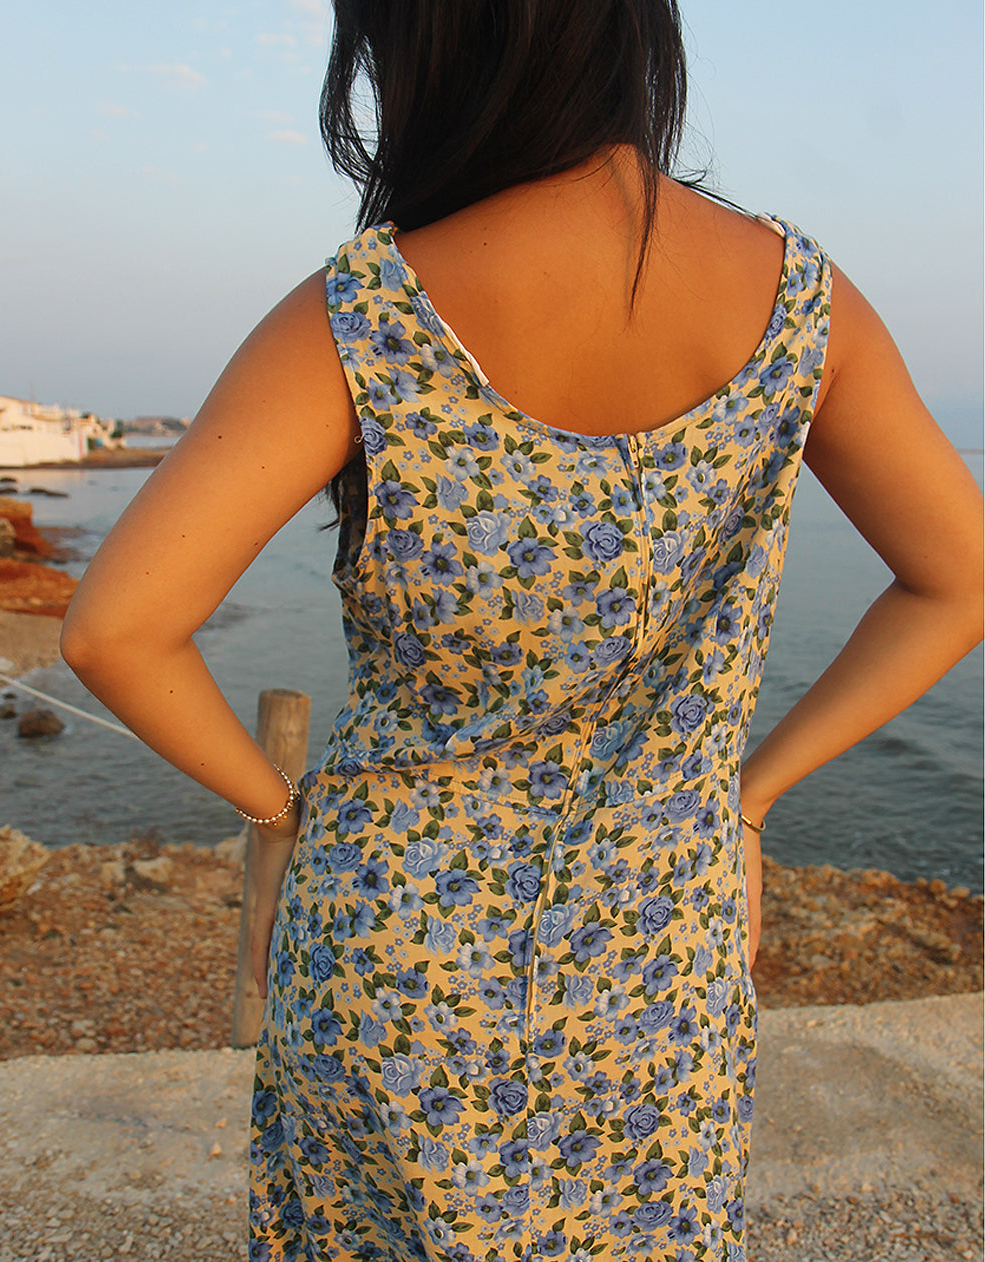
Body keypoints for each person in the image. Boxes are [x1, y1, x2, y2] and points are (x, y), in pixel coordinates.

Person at [60, 2, 983, 1259]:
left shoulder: (366, 308)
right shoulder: (799, 304)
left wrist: (283, 819)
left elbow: (114, 631)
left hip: (395, 949)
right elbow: (957, 580)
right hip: (661, 947)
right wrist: (748, 800)